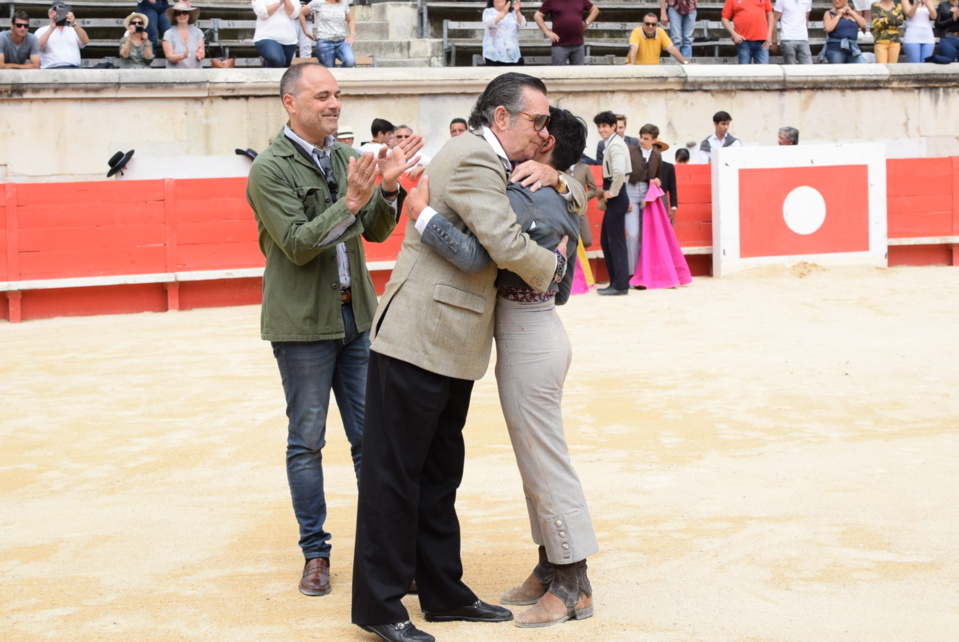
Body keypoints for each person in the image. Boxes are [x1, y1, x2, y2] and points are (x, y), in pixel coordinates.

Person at [351, 72, 585, 642]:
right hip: (420, 335)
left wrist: (561, 179)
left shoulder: (491, 160)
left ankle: (443, 592)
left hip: (449, 341)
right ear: (501, 118)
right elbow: (500, 247)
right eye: (537, 120)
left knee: (436, 475)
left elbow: (520, 224)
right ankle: (380, 606)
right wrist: (554, 271)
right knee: (396, 476)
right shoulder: (477, 159)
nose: (543, 130)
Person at [411, 106, 596, 630]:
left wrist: (423, 214)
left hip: (530, 335)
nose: (526, 135)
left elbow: (478, 255)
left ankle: (573, 582)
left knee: (544, 458)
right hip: (528, 333)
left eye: (539, 131)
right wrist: (566, 179)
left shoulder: (532, 194)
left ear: (544, 148)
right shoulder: (548, 187)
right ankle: (549, 566)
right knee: (534, 457)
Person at [245, 62, 421, 601]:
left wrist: (387, 190)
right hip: (301, 326)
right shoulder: (269, 169)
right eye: (322, 96)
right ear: (290, 103)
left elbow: (375, 233)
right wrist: (348, 202)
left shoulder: (348, 157)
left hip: (355, 318)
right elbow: (297, 245)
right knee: (307, 441)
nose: (334, 104)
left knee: (373, 441)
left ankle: (383, 551)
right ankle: (315, 553)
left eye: (337, 95)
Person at [594, 110, 632, 296]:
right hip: (617, 193)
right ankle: (616, 282)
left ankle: (619, 285)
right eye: (599, 126)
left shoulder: (614, 145)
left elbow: (618, 172)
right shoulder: (613, 143)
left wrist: (612, 192)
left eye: (605, 126)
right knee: (608, 240)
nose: (601, 130)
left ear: (613, 127)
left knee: (614, 242)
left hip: (616, 195)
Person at [625, 123, 663, 277]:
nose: (641, 141)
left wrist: (658, 181)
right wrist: (624, 198)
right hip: (631, 192)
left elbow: (659, 177)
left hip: (647, 195)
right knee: (633, 234)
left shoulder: (657, 156)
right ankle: (632, 273)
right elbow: (622, 174)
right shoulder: (629, 151)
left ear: (653, 140)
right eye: (641, 137)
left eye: (646, 138)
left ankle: (644, 272)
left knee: (645, 235)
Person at [533, 0, 599, 65]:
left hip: (578, 44)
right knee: (558, 74)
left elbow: (595, 10)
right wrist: (547, 32)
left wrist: (586, 23)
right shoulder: (551, 1)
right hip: (560, 44)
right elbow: (537, 15)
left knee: (579, 74)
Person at [36, 2, 89, 69]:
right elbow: (39, 47)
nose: (59, 12)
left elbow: (85, 41)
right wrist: (51, 28)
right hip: (52, 68)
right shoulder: (42, 30)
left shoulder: (73, 29)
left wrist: (74, 24)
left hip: (74, 67)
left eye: (62, 10)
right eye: (55, 10)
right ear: (50, 14)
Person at [308, 0, 355, 67]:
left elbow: (350, 20)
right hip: (324, 42)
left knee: (350, 61)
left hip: (341, 41)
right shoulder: (318, 2)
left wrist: (352, 35)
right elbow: (302, 13)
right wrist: (306, 32)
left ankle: (338, 74)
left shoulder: (343, 2)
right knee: (329, 70)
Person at [252, 0, 299, 68]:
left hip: (289, 40)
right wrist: (280, 3)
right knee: (278, 60)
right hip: (266, 37)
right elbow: (262, 12)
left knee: (283, 70)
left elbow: (294, 14)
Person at [483, 0, 526, 65]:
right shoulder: (488, 12)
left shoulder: (513, 13)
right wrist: (504, 13)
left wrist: (517, 11)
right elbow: (489, 22)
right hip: (493, 56)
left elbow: (522, 24)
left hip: (513, 55)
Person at [163, 1, 204, 68]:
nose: (182, 15)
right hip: (175, 75)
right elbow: (169, 56)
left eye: (185, 12)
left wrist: (200, 55)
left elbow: (201, 53)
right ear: (175, 17)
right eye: (178, 13)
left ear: (189, 15)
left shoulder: (198, 32)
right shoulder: (168, 34)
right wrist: (183, 56)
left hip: (195, 74)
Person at [654, 140, 678, 224]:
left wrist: (673, 207)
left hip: (662, 198)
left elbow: (673, 188)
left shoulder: (668, 167)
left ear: (660, 151)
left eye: (655, 149)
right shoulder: (644, 166)